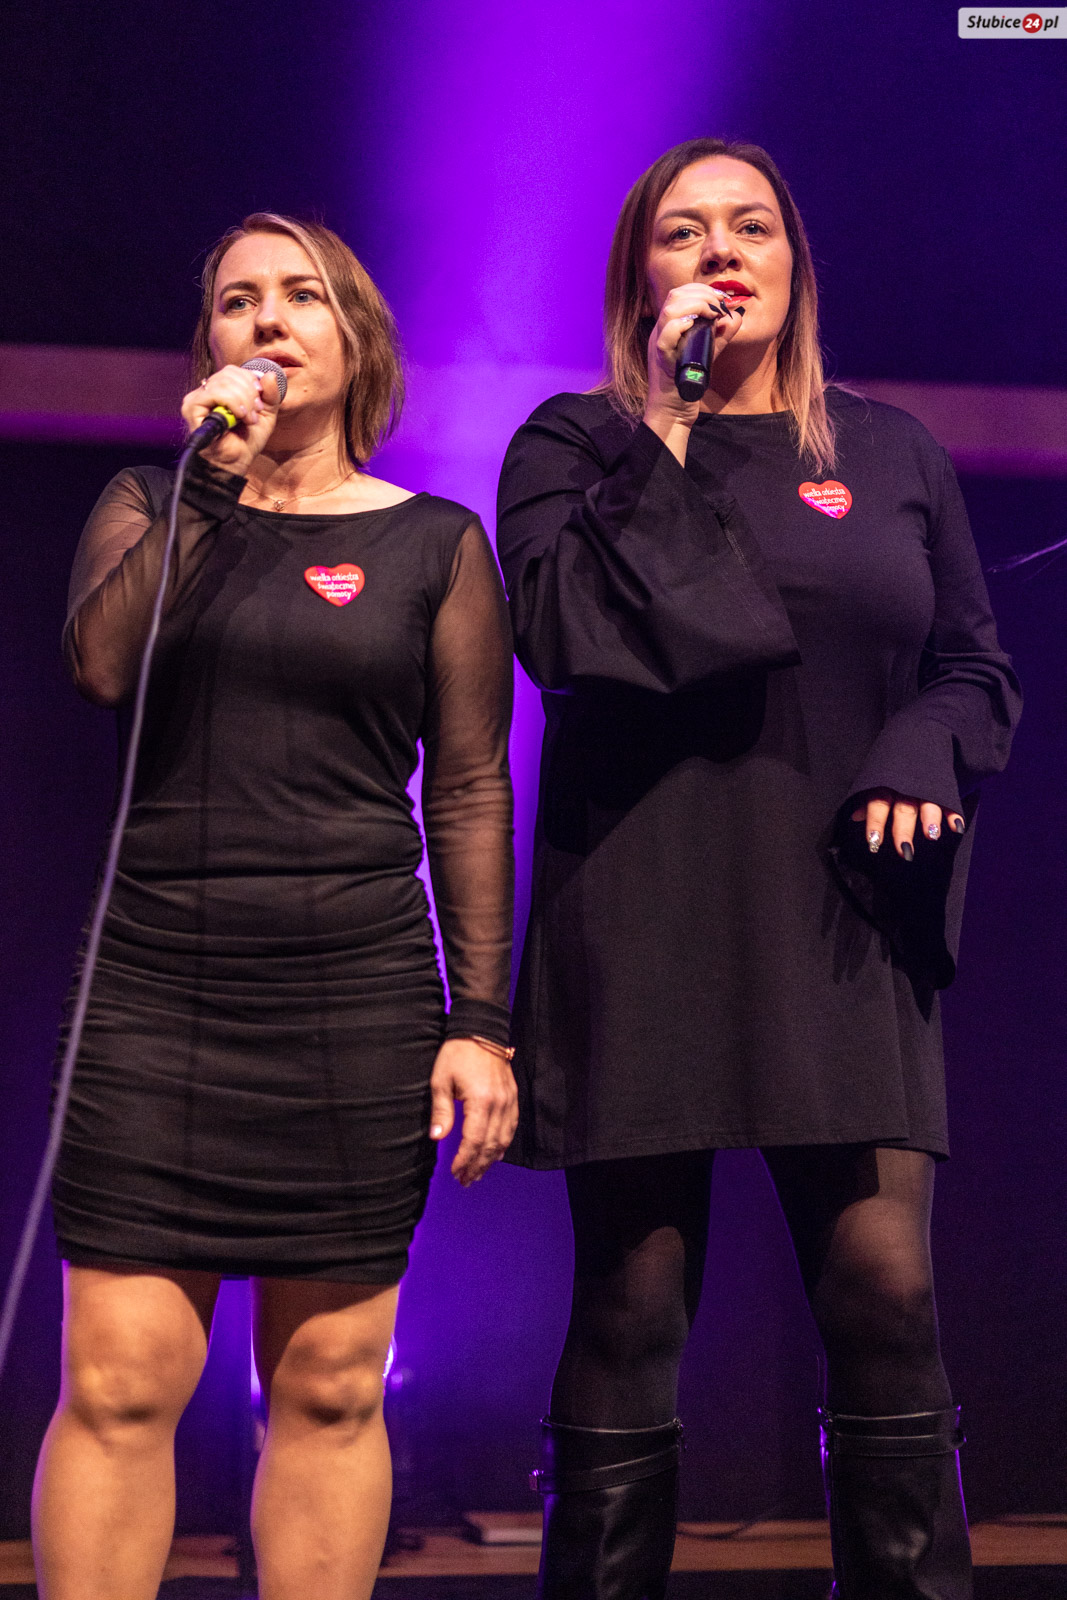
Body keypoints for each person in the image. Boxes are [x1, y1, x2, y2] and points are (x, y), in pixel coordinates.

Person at [496, 139, 1020, 1600]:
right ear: (639, 278)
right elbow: (570, 636)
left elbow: (974, 666)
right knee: (631, 1305)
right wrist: (663, 416)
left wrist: (921, 747)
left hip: (840, 921)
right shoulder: (572, 445)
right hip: (643, 912)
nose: (722, 252)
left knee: (888, 1294)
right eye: (684, 233)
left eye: (752, 227)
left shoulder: (891, 450)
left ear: (796, 263)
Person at [34, 213, 517, 1600]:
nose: (267, 319)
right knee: (120, 1384)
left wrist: (481, 1021)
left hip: (353, 995)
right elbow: (102, 668)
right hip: (153, 991)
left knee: (331, 1387)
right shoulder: (152, 502)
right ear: (210, 345)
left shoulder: (435, 543)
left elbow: (469, 790)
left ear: (356, 340)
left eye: (301, 295)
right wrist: (214, 485)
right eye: (238, 300)